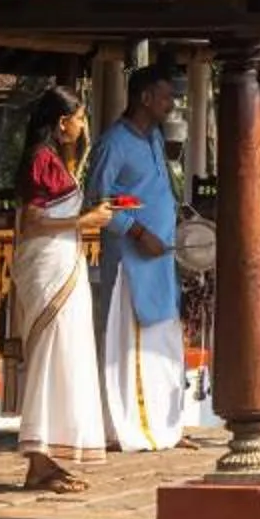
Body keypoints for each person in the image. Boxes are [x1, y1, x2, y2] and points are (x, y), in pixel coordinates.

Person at [11, 88, 111, 494]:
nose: (83, 125)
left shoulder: (57, 160)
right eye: (80, 118)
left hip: (64, 263)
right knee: (50, 357)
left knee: (67, 356)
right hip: (47, 267)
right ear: (61, 121)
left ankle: (51, 457)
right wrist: (85, 222)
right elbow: (33, 223)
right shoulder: (39, 160)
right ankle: (37, 461)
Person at [85, 64, 186, 452]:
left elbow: (144, 194)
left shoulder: (156, 138)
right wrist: (139, 232)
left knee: (163, 340)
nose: (170, 104)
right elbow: (100, 202)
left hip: (161, 262)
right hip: (132, 262)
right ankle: (128, 427)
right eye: (165, 97)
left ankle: (165, 426)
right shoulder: (113, 143)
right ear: (145, 98)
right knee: (130, 344)